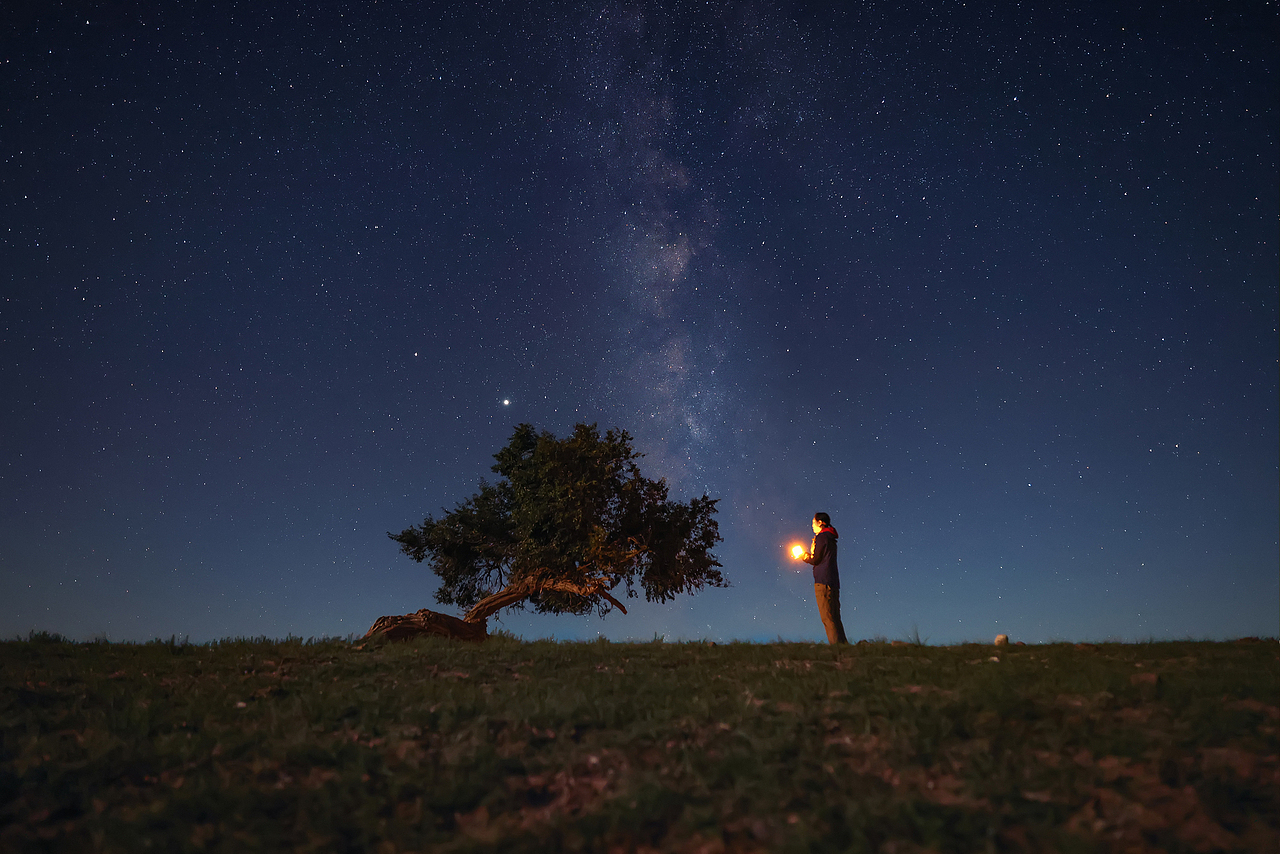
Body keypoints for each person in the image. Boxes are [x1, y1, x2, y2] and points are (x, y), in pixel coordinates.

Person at [796, 512, 848, 644]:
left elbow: (816, 559)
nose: (812, 526)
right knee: (835, 617)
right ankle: (844, 647)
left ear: (820, 522)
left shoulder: (822, 537)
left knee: (827, 617)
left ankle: (837, 648)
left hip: (823, 581)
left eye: (813, 522)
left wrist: (804, 556)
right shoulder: (830, 538)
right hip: (833, 580)